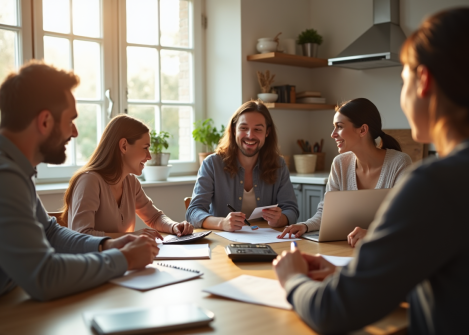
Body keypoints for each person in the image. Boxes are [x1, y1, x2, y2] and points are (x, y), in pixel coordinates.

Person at [273, 7, 469, 334]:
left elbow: (334, 312)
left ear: (423, 81)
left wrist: (292, 278)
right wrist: (358, 277)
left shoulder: (435, 185)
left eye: (402, 80)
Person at [0, 61, 159, 311]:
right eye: (70, 120)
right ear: (45, 121)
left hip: (5, 305)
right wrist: (124, 259)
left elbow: (50, 232)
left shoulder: (11, 169)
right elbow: (44, 276)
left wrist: (106, 245)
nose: (75, 132)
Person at [278, 98, 412, 247]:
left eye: (339, 127)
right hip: (346, 248)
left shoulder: (399, 163)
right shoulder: (340, 163)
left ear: (362, 130)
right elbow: (327, 213)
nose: (333, 134)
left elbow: (404, 219)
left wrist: (371, 234)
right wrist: (305, 226)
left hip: (385, 250)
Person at [63, 114, 194, 237]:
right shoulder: (89, 181)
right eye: (145, 148)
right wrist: (131, 236)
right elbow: (81, 235)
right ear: (124, 146)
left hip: (122, 259)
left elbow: (154, 217)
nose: (149, 156)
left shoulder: (131, 182)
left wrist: (174, 226)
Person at [186, 100, 299, 231]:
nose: (250, 135)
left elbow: (291, 209)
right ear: (234, 130)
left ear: (267, 132)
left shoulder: (279, 164)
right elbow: (193, 212)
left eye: (257, 129)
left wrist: (280, 219)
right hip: (223, 243)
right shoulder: (212, 164)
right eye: (243, 128)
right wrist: (222, 223)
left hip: (268, 241)